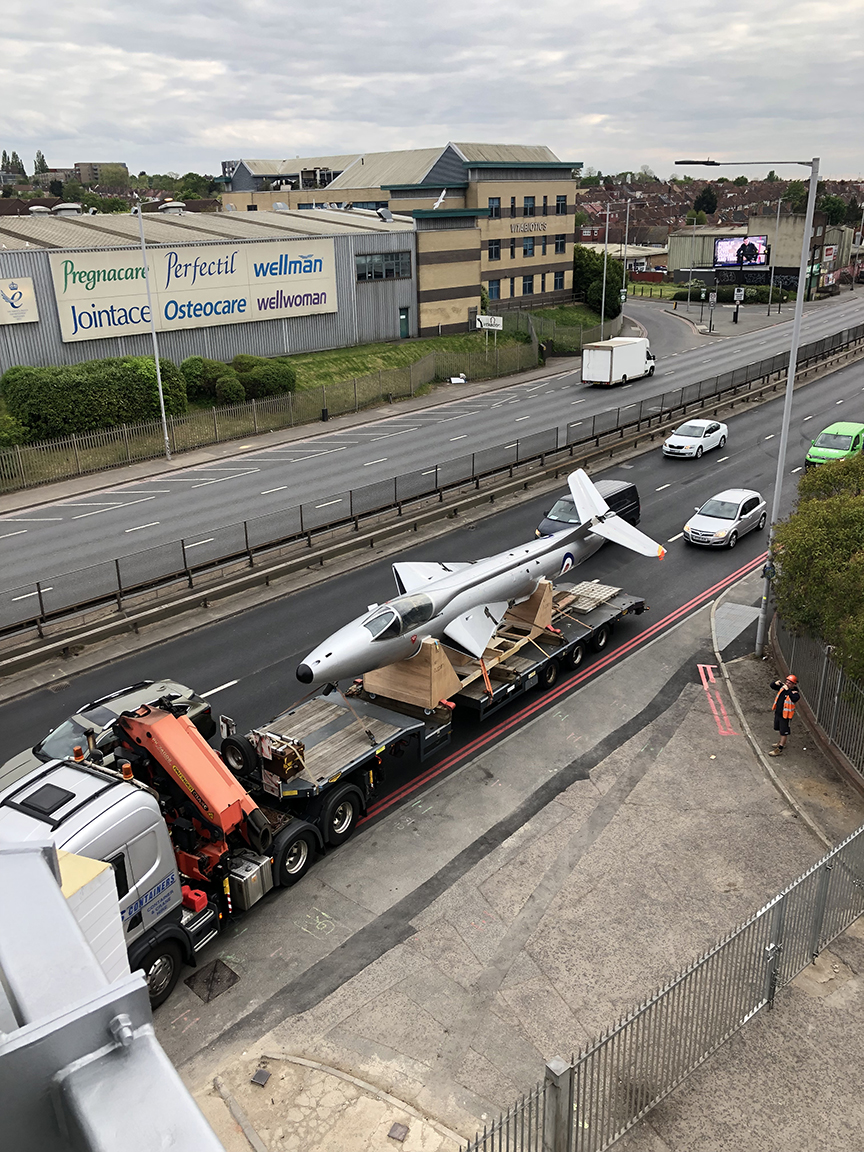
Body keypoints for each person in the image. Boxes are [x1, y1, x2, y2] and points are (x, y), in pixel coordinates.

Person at [768, 674, 799, 755]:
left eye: (789, 683)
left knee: (783, 732)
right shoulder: (783, 688)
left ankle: (780, 748)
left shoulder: (795, 693)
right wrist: (775, 683)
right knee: (778, 729)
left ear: (794, 684)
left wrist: (788, 690)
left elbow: (794, 698)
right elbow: (772, 686)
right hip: (778, 713)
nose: (787, 684)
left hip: (785, 716)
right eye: (787, 682)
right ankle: (781, 742)